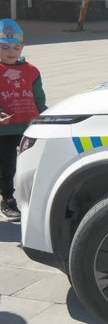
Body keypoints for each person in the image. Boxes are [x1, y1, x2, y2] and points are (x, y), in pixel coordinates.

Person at [0, 19, 47, 222]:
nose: (12, 52)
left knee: (30, 165)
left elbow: (39, 98)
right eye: (5, 47)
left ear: (22, 47)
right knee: (7, 166)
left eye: (16, 47)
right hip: (5, 130)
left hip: (28, 128)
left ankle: (33, 200)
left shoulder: (32, 70)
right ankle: (7, 200)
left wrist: (45, 118)